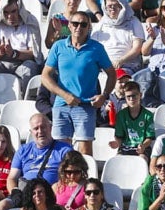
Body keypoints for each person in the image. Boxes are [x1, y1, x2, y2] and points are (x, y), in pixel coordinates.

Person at [40, 10, 115, 156]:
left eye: (83, 24)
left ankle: (85, 179)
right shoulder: (58, 46)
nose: (78, 27)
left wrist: (104, 96)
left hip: (85, 105)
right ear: (69, 26)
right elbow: (45, 76)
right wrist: (64, 95)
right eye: (75, 23)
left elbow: (112, 74)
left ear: (89, 27)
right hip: (61, 105)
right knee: (60, 152)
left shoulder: (97, 48)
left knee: (85, 152)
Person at [0, 113, 74, 210]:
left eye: (43, 127)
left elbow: (71, 177)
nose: (40, 131)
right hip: (25, 193)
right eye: (36, 128)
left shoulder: (64, 150)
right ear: (31, 132)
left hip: (49, 194)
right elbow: (12, 177)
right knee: (1, 206)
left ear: (50, 128)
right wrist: (15, 192)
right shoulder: (23, 150)